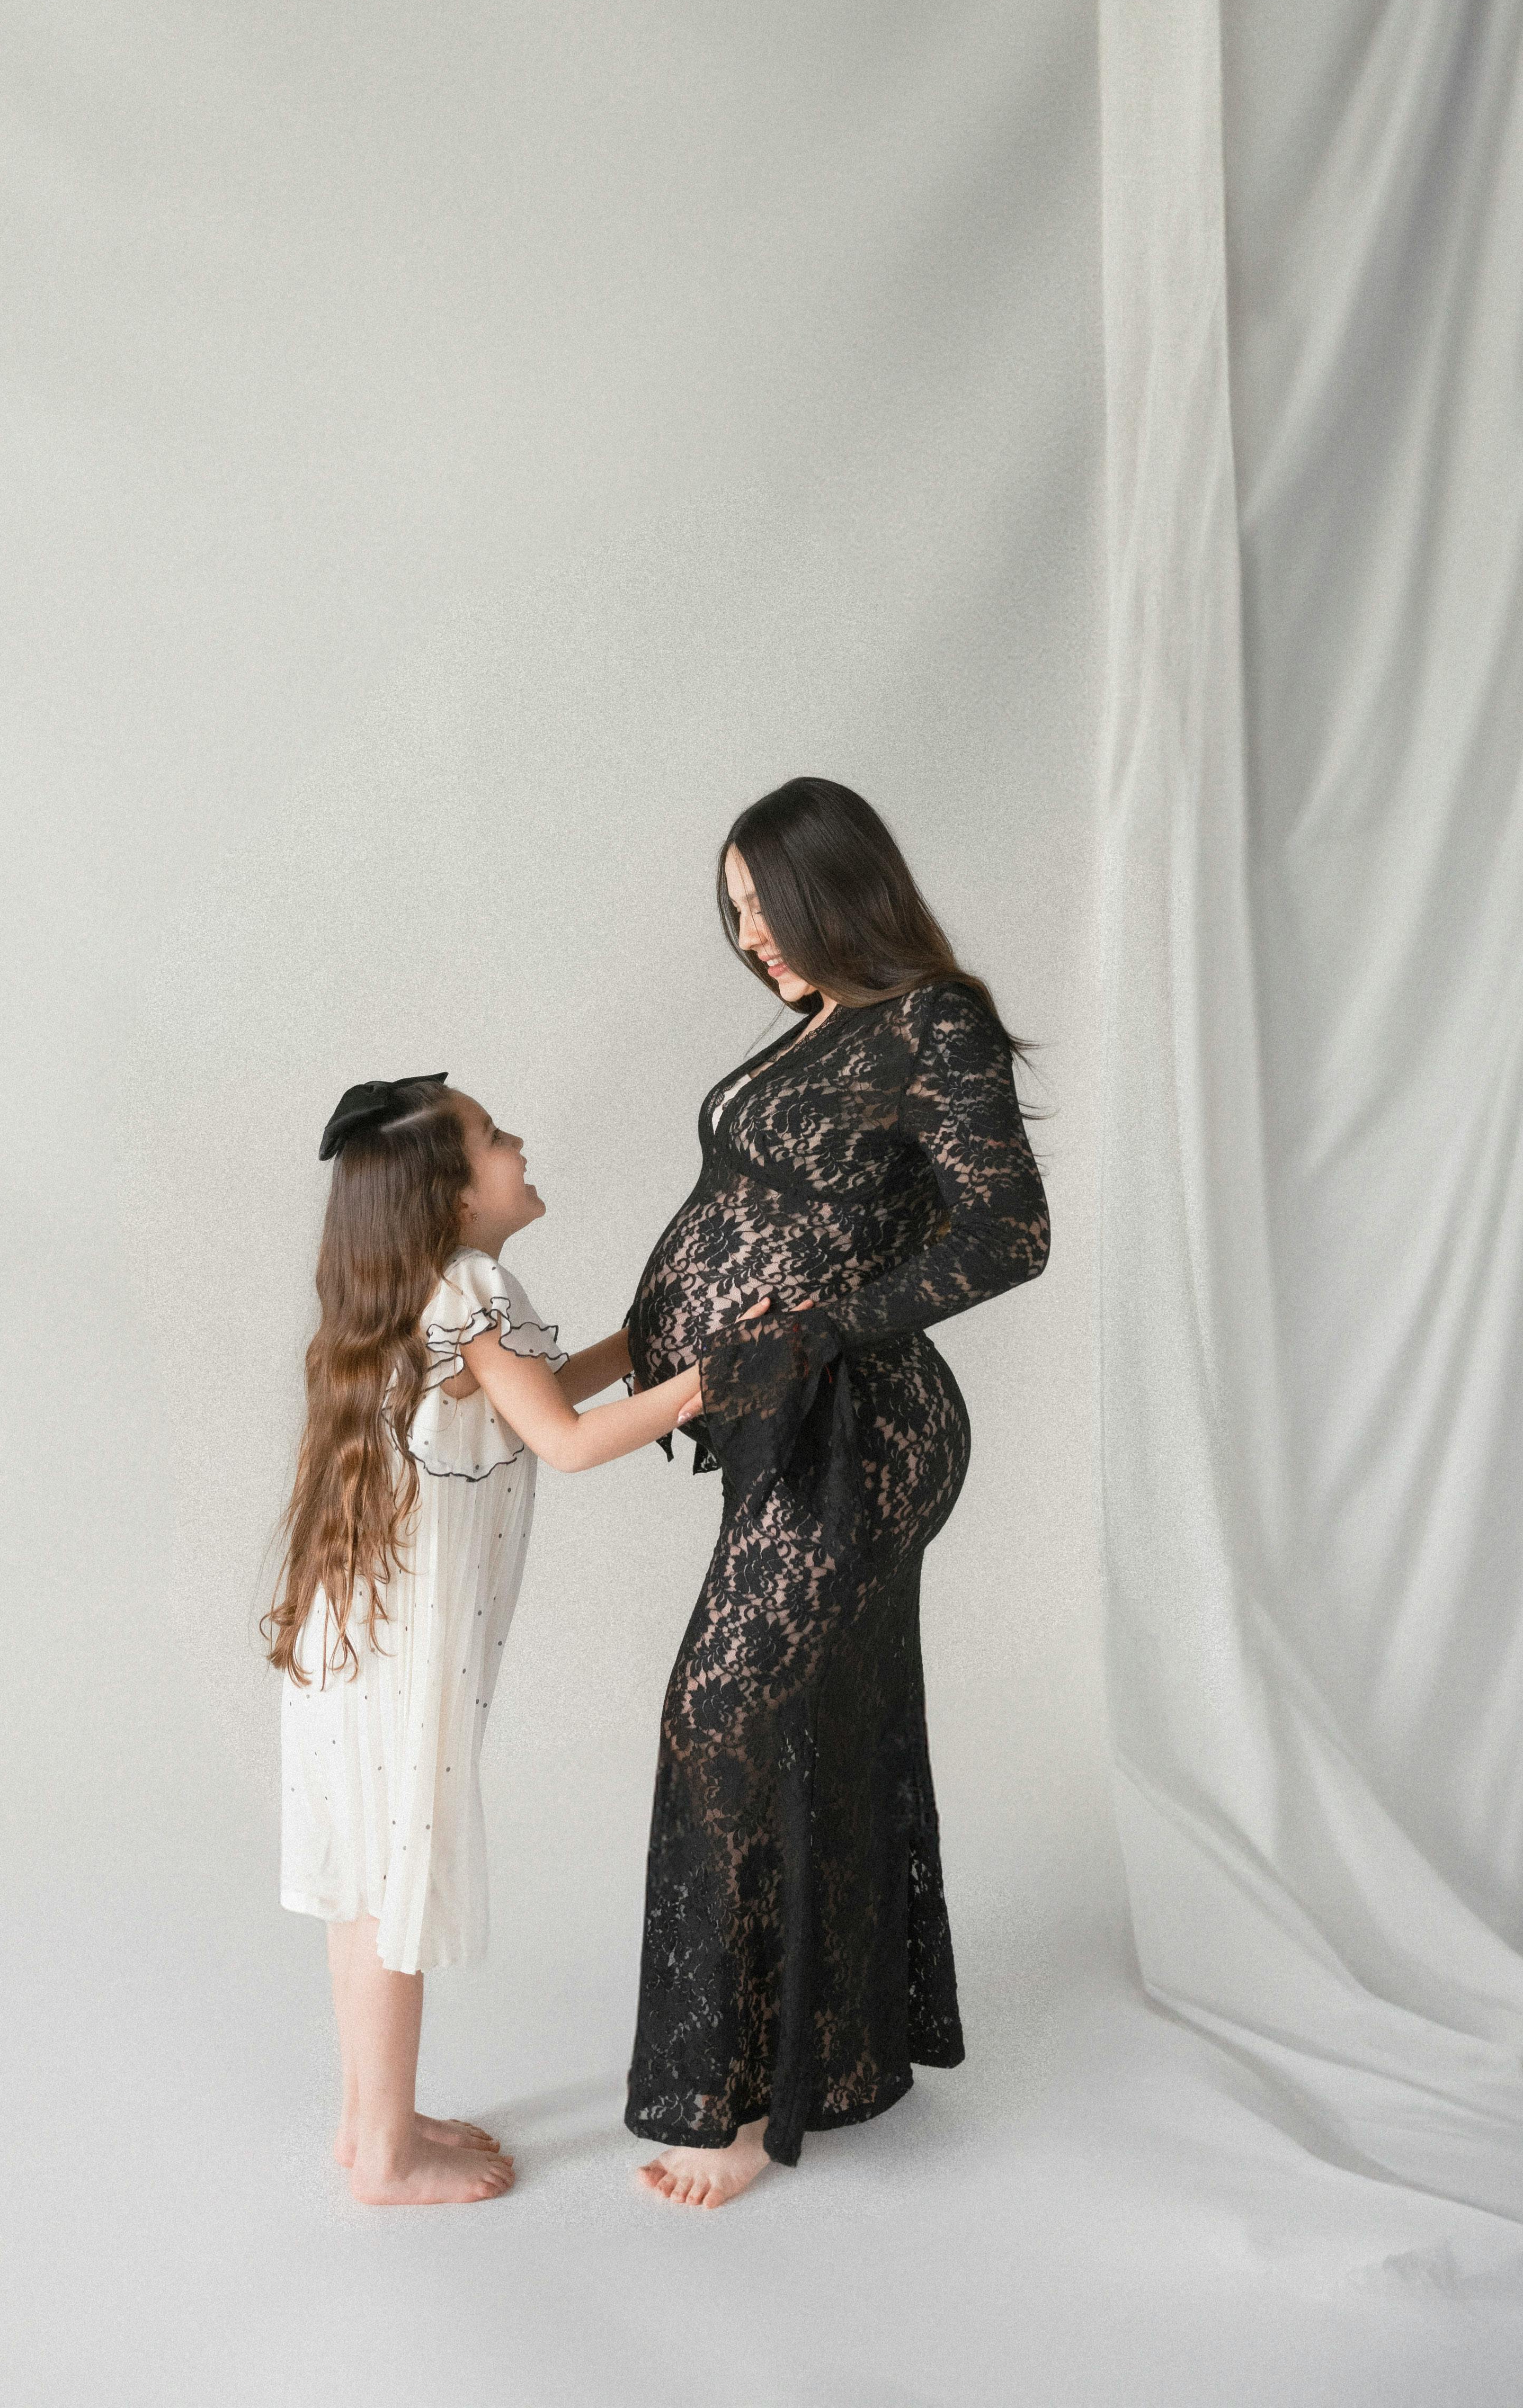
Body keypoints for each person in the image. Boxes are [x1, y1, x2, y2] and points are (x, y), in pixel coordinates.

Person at [624, 776, 1050, 2205]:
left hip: (865, 1426)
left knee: (724, 1713)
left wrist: (820, 1328)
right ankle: (839, 2057)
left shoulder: (935, 1017)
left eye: (771, 905)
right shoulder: (808, 1032)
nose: (752, 935)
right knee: (813, 1723)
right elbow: (741, 1224)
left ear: (840, 889)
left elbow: (1012, 1235)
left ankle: (736, 2105)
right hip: (779, 1422)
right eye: (734, 911)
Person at [268, 1071, 701, 2207]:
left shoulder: (418, 1288)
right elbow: (560, 1439)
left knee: (364, 1880)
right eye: (494, 1136)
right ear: (454, 1197)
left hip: (350, 1636)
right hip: (403, 1650)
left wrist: (640, 1343)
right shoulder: (470, 1282)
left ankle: (371, 2124)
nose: (519, 1144)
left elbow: (534, 1393)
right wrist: (708, 1381)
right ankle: (392, 2160)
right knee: (394, 1870)